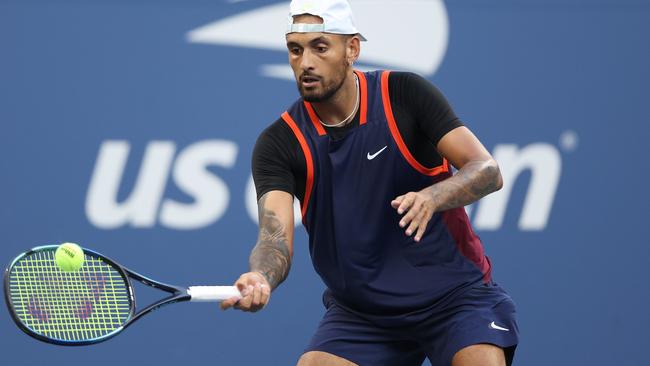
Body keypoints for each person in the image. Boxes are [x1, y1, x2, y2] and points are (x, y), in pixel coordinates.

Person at [220, 1, 520, 365]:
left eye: (320, 46)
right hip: (364, 314)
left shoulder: (405, 94)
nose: (306, 62)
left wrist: (433, 196)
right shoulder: (279, 143)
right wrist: (261, 276)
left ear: (352, 49)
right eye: (295, 50)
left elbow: (487, 170)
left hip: (455, 297)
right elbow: (274, 239)